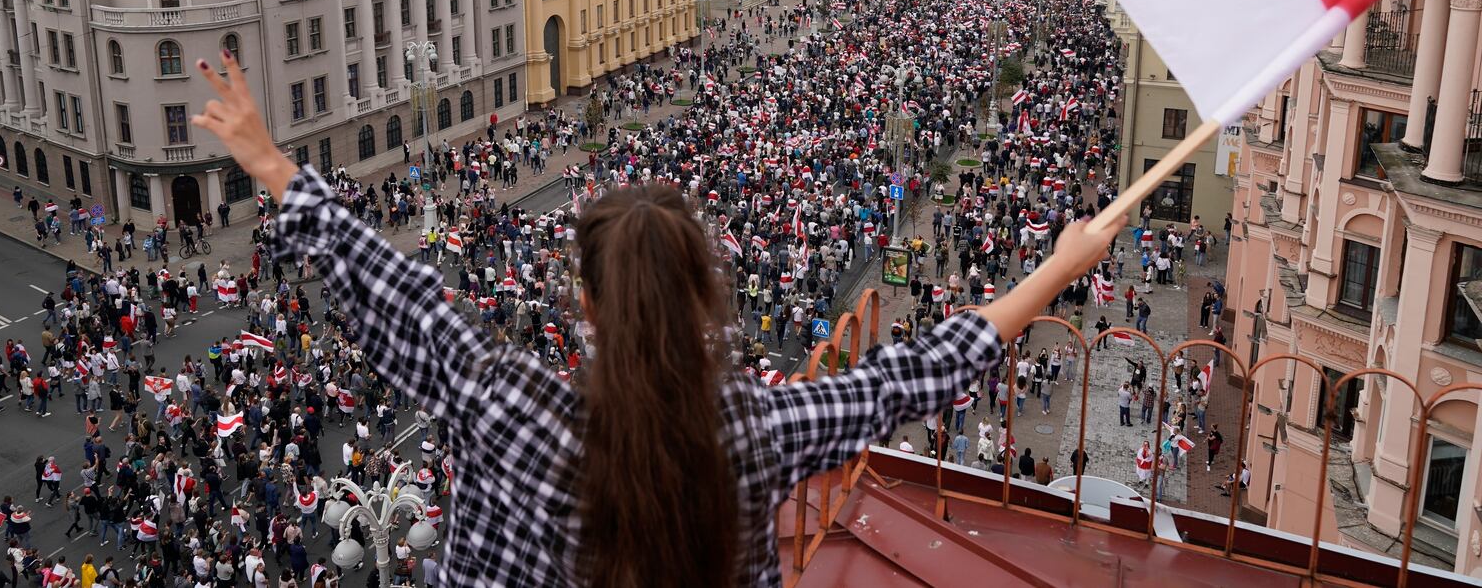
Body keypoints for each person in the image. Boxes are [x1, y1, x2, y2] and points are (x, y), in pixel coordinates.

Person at [189, 47, 1125, 586]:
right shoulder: (753, 428)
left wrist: (272, 163)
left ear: (586, 301)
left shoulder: (504, 400)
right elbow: (914, 374)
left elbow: (392, 288)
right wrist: (1059, 265)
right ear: (702, 295)